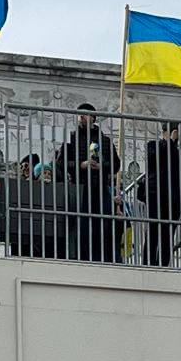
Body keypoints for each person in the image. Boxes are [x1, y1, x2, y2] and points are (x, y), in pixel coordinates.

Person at [58, 104, 119, 262]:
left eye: (85, 114)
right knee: (81, 226)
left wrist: (102, 166)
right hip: (80, 188)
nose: (81, 117)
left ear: (93, 118)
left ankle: (100, 258)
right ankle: (81, 257)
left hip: (100, 188)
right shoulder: (71, 138)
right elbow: (61, 162)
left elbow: (116, 164)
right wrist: (81, 165)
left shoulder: (105, 141)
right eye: (79, 115)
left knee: (102, 225)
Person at [141, 121, 181, 267]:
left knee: (168, 234)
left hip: (174, 198)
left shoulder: (177, 153)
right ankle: (148, 264)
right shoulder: (153, 146)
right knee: (153, 231)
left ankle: (163, 265)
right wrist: (170, 141)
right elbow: (157, 158)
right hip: (155, 195)